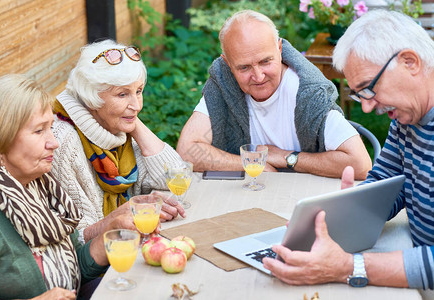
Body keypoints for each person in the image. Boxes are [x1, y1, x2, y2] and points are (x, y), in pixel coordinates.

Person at [263, 10, 434, 290]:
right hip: (418, 247)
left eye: (369, 89)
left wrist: (347, 267)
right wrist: (340, 218)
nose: (367, 107)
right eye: (360, 94)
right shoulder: (408, 114)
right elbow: (388, 183)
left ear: (410, 62)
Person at [176, 10, 371, 179]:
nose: (258, 76)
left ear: (279, 50)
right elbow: (187, 151)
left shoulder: (308, 91)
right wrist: (251, 163)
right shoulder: (223, 83)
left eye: (265, 62)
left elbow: (360, 164)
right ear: (228, 64)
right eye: (244, 67)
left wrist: (287, 157)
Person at [0, 74, 110, 299]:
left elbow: (69, 273)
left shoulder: (43, 188)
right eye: (39, 130)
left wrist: (111, 236)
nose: (54, 142)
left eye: (51, 128)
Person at [51, 39, 186, 245]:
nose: (137, 104)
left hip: (127, 244)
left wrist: (134, 121)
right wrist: (131, 209)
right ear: (91, 97)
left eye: (139, 91)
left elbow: (175, 178)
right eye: (122, 94)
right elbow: (77, 238)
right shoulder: (62, 141)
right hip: (95, 266)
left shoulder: (115, 126)